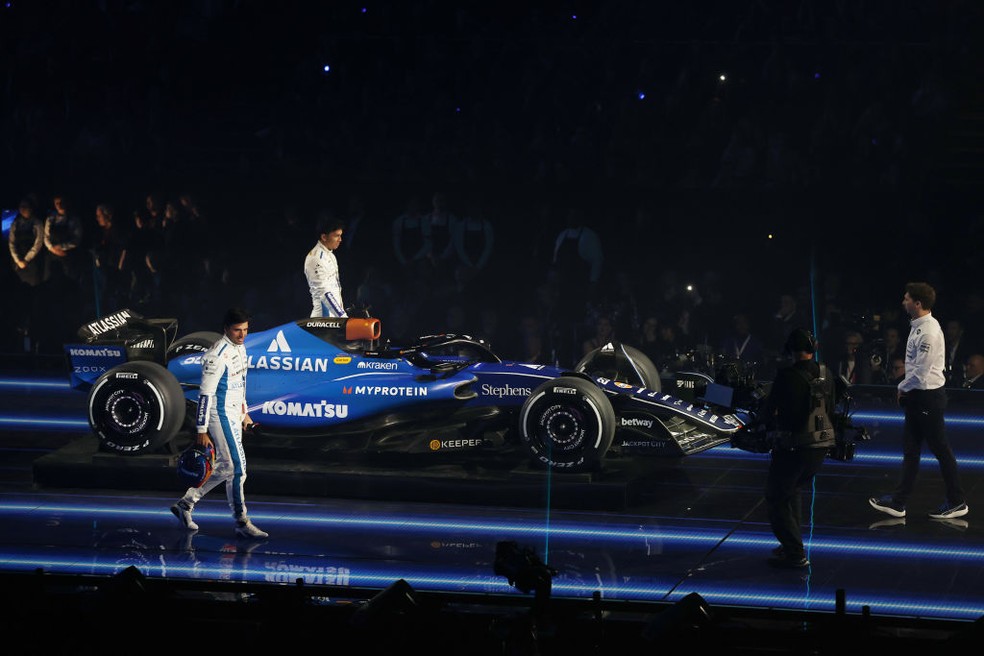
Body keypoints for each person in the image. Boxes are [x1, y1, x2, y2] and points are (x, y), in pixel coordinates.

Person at [869, 282, 968, 521]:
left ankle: (957, 501)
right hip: (917, 396)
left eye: (906, 298)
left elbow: (921, 372)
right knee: (911, 451)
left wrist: (901, 387)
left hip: (927, 398)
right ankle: (898, 502)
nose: (902, 302)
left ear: (918, 303)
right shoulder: (917, 326)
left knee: (941, 450)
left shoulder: (929, 332)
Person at [171, 307, 267, 539]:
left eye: (245, 330)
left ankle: (185, 504)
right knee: (238, 470)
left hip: (234, 414)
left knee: (227, 468)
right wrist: (201, 429)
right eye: (237, 330)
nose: (242, 334)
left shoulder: (241, 348)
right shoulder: (216, 355)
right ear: (226, 329)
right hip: (219, 415)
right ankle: (242, 521)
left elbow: (239, 385)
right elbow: (205, 394)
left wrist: (245, 414)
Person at [757, 327, 836, 569]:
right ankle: (792, 543)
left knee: (776, 497)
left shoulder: (786, 376)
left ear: (791, 350)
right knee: (793, 492)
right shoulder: (827, 373)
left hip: (794, 448)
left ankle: (795, 552)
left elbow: (769, 414)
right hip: (820, 446)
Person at [304, 213, 347, 318]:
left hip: (334, 319)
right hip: (323, 320)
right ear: (324, 237)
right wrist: (343, 317)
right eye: (337, 236)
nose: (340, 240)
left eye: (340, 235)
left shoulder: (330, 255)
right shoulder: (315, 258)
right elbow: (324, 293)